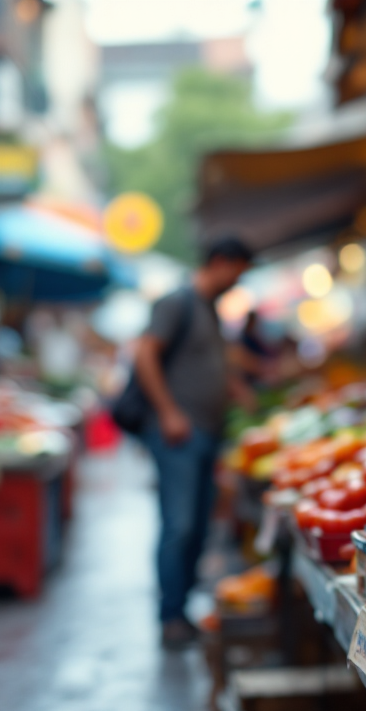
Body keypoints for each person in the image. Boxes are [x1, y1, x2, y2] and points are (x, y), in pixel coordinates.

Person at [133, 238, 254, 648]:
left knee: (199, 526)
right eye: (237, 272)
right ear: (219, 262)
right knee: (180, 525)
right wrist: (168, 411)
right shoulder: (175, 303)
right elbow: (145, 354)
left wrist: (238, 391)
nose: (237, 283)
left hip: (206, 434)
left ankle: (181, 610)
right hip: (179, 435)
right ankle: (170, 618)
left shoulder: (209, 311)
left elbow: (213, 364)